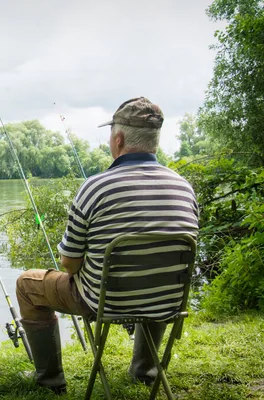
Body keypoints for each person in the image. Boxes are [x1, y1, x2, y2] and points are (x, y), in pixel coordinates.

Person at [15, 97, 199, 394]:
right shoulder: (184, 187)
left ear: (118, 139)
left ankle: (49, 380)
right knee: (154, 276)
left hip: (104, 303)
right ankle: (146, 370)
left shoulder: (95, 187)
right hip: (167, 302)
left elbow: (69, 263)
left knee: (27, 283)